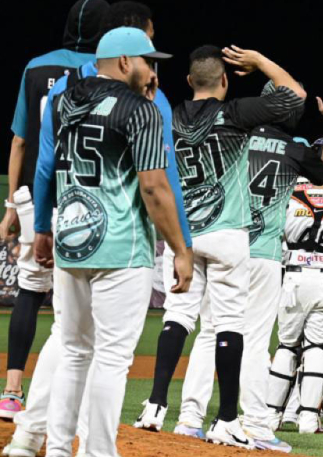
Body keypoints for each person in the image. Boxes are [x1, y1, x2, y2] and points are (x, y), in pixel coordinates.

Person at [2, 4, 193, 456]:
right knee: (111, 358)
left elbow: (44, 165)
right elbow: (155, 188)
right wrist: (180, 249)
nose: (152, 71)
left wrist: (44, 227)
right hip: (120, 245)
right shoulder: (141, 109)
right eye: (148, 61)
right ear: (126, 61)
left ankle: (58, 447)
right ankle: (98, 452)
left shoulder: (63, 100)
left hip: (71, 243)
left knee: (71, 350)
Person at [134, 44, 306, 449]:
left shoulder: (167, 116)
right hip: (229, 233)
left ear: (190, 80)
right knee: (229, 324)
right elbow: (294, 96)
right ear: (224, 80)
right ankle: (226, 418)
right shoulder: (235, 112)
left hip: (183, 235)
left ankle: (156, 404)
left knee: (178, 316)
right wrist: (261, 61)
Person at [173, 87, 323, 451]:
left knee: (209, 333)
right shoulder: (293, 148)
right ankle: (255, 425)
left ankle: (189, 418)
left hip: (223, 243)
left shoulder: (236, 135)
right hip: (263, 254)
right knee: (251, 340)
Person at [0, 0, 110, 421]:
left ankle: (11, 391)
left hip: (35, 194)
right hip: (90, 197)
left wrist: (12, 204)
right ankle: (80, 400)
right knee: (89, 295)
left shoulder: (35, 66)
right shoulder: (108, 67)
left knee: (31, 289)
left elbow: (19, 141)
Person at [265, 132, 323, 434]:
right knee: (318, 347)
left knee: (287, 347)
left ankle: (270, 415)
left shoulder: (290, 193)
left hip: (294, 276)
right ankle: (307, 418)